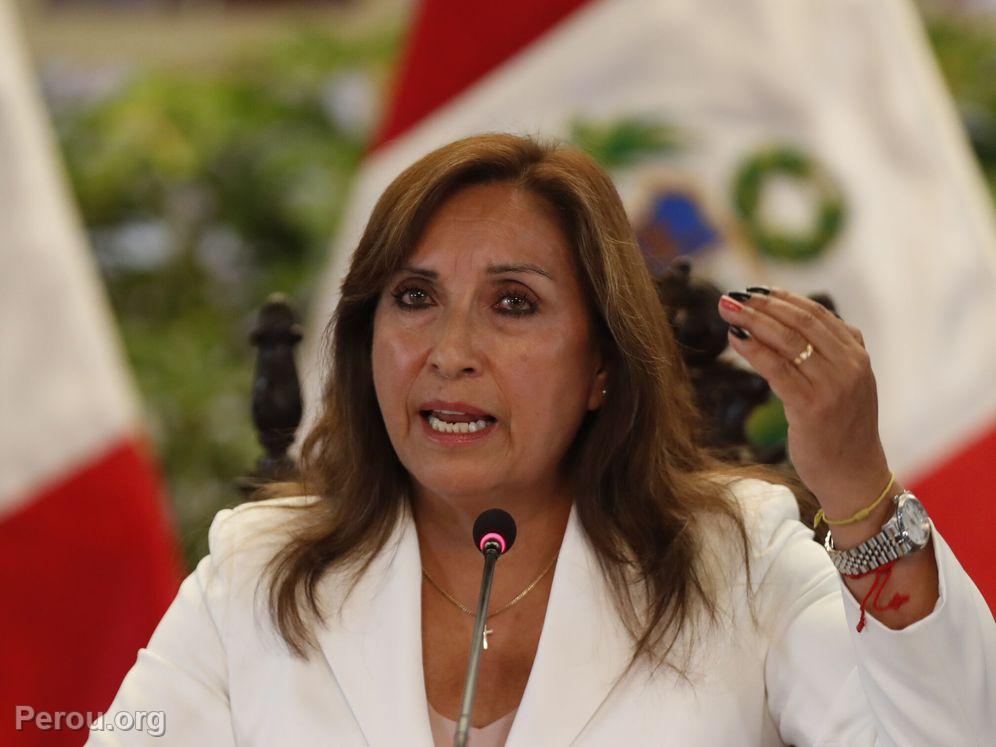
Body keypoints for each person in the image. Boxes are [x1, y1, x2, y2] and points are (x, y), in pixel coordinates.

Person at [89, 134, 994, 746]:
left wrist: (860, 492)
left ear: (602, 363)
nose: (449, 352)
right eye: (414, 297)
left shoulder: (738, 559)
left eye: (513, 304)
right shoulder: (259, 569)